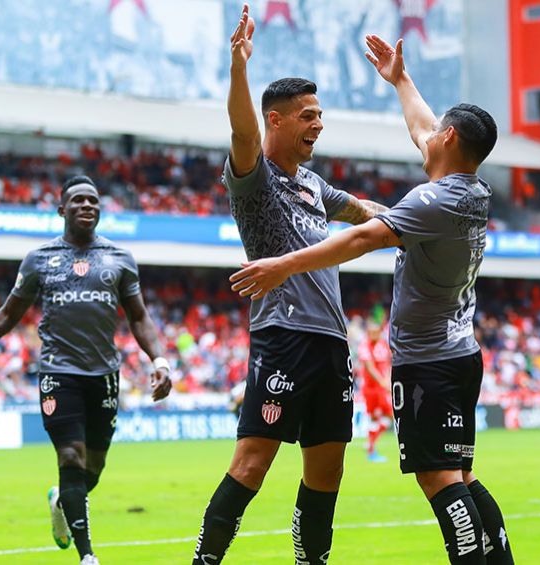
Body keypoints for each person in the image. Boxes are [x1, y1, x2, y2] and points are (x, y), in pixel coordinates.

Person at [229, 33, 514, 565]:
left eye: (436, 133)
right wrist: (401, 80)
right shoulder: (471, 191)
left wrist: (281, 266)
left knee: (440, 479)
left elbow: (363, 237)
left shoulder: (431, 200)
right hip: (459, 350)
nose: (424, 135)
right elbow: (422, 127)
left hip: (427, 360)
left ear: (449, 138)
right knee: (465, 476)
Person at [190, 6, 389, 564]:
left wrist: (418, 221)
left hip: (331, 341)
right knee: (252, 462)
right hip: (283, 334)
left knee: (327, 470)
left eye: (319, 114)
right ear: (276, 121)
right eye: (307, 115)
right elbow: (240, 130)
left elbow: (365, 212)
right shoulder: (253, 179)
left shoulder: (311, 184)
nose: (318, 124)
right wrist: (239, 70)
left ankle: (311, 561)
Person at [0, 175, 173, 565]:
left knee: (92, 467)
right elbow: (8, 315)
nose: (87, 206)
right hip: (58, 373)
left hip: (104, 375)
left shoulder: (120, 258)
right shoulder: (39, 259)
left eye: (93, 201)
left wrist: (159, 361)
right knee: (70, 456)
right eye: (78, 200)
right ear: (62, 209)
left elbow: (140, 317)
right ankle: (87, 556)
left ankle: (61, 500)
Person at [357, 321, 393, 462]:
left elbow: (388, 364)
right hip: (371, 389)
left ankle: (370, 443)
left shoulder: (383, 345)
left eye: (376, 332)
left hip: (381, 388)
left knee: (389, 416)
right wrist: (383, 382)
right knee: (375, 418)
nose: (374, 334)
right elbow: (370, 367)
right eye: (371, 332)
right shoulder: (364, 346)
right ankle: (371, 449)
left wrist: (388, 379)